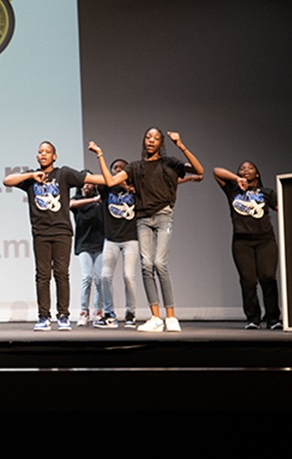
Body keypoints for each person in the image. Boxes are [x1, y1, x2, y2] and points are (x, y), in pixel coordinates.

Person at [89, 129, 203, 332]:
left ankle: (171, 316)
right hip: (143, 219)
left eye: (156, 138)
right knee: (146, 265)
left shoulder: (170, 163)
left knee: (159, 263)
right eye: (148, 137)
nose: (151, 141)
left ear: (161, 143)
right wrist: (100, 155)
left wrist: (180, 144)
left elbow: (199, 170)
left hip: (163, 216)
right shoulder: (135, 167)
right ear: (144, 141)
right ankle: (155, 317)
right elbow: (111, 181)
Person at [3, 142, 91, 331]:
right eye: (40, 152)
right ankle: (43, 317)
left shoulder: (64, 174)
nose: (43, 154)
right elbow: (6, 181)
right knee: (42, 276)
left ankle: (63, 316)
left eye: (47, 152)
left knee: (61, 274)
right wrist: (30, 175)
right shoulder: (31, 178)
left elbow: (90, 178)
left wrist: (112, 178)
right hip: (40, 233)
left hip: (62, 231)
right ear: (37, 157)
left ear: (55, 156)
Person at [212, 161, 281, 330]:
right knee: (248, 281)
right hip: (242, 242)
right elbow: (216, 171)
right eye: (242, 168)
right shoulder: (233, 191)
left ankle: (273, 318)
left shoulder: (267, 193)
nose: (245, 170)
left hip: (265, 240)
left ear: (257, 174)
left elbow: (283, 208)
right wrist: (237, 179)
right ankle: (253, 318)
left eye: (250, 168)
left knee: (268, 278)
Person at [95, 158, 140, 328]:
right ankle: (109, 314)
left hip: (130, 239)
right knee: (105, 276)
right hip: (111, 239)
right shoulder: (107, 189)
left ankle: (130, 313)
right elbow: (99, 179)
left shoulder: (136, 189)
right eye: (115, 168)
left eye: (122, 168)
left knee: (129, 276)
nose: (118, 170)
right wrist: (119, 184)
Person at [70, 183, 105, 326]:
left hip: (100, 244)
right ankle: (84, 311)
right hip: (84, 244)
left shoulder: (100, 202)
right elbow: (71, 204)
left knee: (99, 279)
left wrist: (98, 200)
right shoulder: (77, 201)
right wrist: (94, 200)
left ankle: (98, 311)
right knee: (87, 277)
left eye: (89, 184)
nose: (86, 186)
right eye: (83, 184)